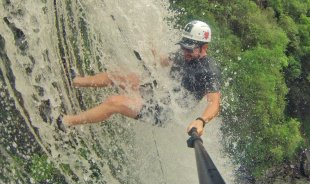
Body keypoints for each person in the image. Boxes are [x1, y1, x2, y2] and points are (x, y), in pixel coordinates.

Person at [59, 20, 221, 136]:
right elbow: (163, 62)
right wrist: (150, 48)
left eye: (190, 49)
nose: (185, 52)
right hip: (160, 94)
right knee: (119, 75)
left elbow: (214, 103)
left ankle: (65, 122)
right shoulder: (183, 54)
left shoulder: (208, 70)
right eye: (184, 47)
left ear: (204, 47)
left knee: (115, 102)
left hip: (165, 112)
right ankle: (76, 81)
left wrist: (201, 121)